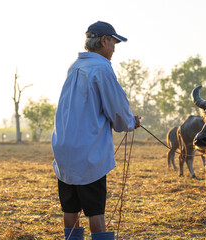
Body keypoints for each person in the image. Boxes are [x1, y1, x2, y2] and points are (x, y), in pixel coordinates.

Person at [51, 21, 140, 240]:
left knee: (70, 209)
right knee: (95, 213)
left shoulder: (75, 66)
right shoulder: (101, 68)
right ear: (104, 40)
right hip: (87, 152)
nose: (114, 48)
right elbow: (118, 111)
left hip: (64, 149)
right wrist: (131, 122)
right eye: (114, 42)